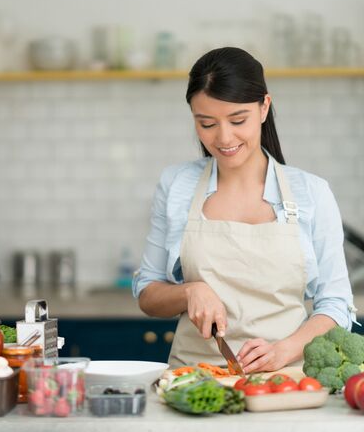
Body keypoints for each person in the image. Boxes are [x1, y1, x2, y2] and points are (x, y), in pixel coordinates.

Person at [132, 47, 356, 373]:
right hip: (195, 383)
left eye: (238, 120)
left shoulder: (312, 193)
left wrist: (284, 350)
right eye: (206, 123)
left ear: (264, 107)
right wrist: (189, 292)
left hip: (285, 382)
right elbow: (148, 294)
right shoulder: (176, 184)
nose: (224, 138)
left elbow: (336, 305)